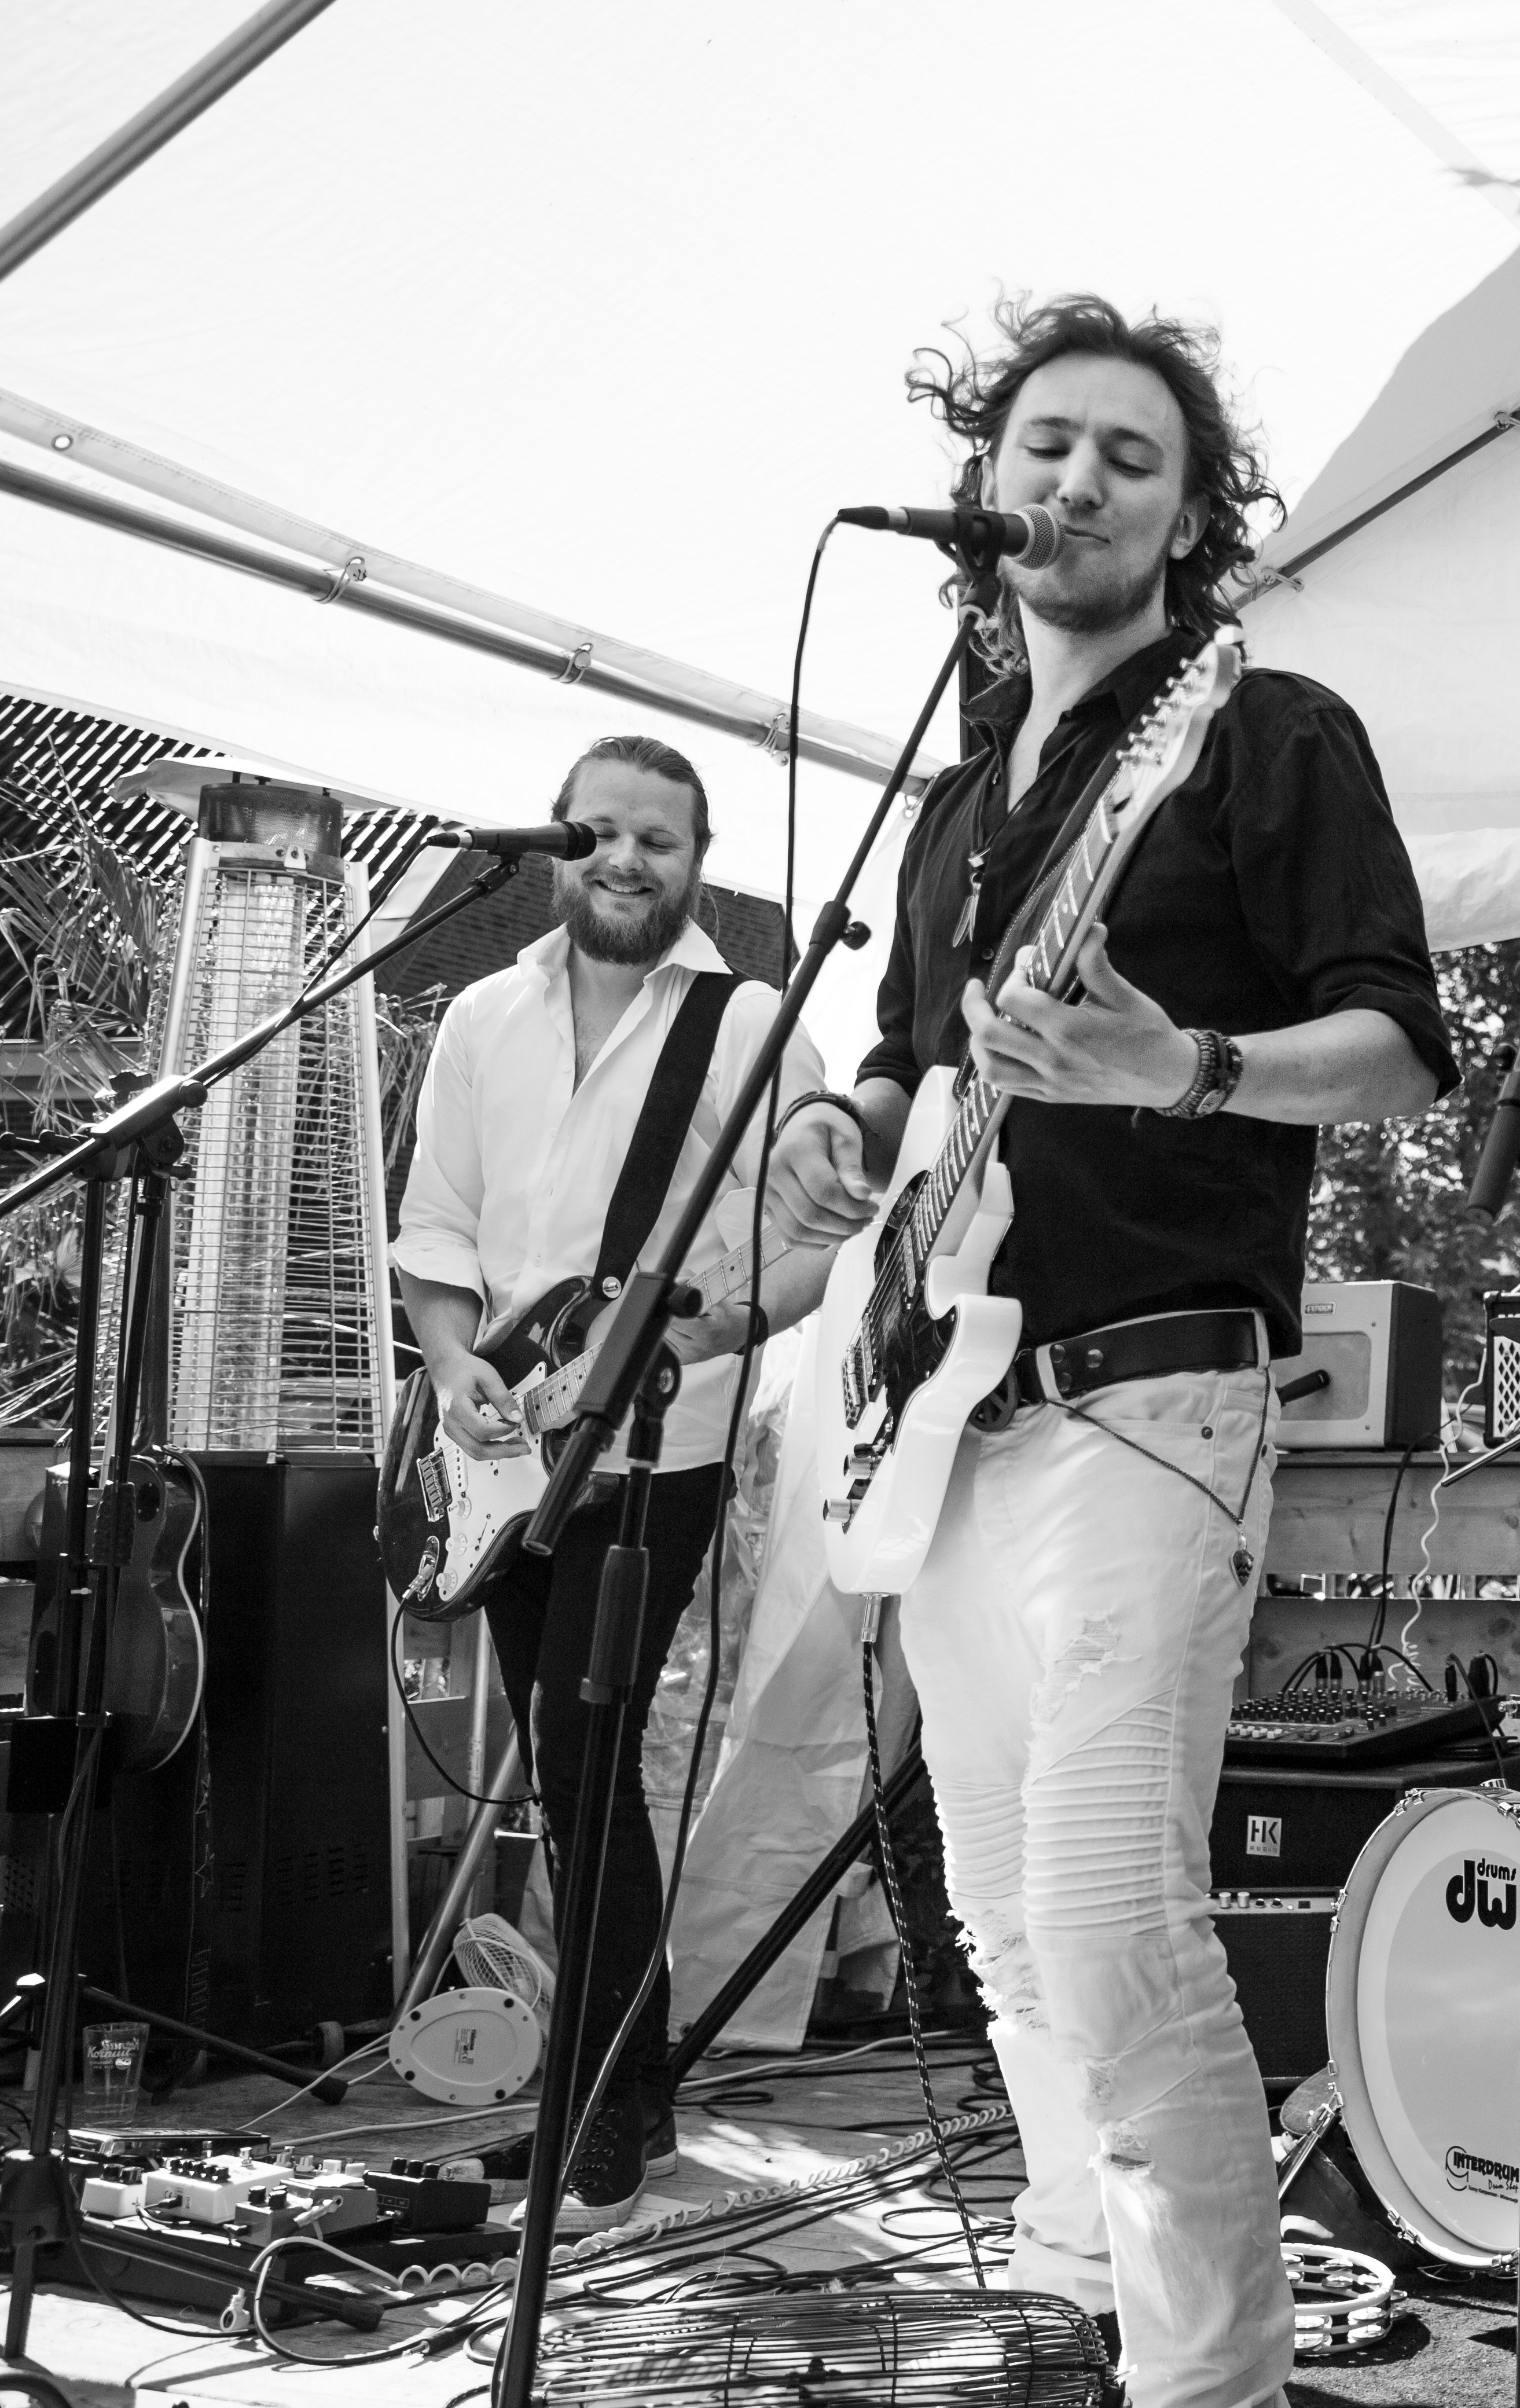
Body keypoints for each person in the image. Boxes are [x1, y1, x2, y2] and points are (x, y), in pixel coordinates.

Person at [758, 294, 1454, 2408]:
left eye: (1131, 459)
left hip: (1150, 1402)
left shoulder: (1260, 729)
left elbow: (1397, 1048)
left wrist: (1192, 1065)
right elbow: (912, 1068)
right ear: (985, 486)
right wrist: (840, 1127)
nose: (1078, 481)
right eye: (1046, 445)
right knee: (997, 1910)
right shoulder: (957, 802)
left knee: (1108, 1911)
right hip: (944, 1414)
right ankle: (1095, 2298)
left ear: (1188, 519)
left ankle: (1210, 2381)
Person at [394, 735, 831, 2226]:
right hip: (495, 1456)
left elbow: (819, 1238)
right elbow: (436, 1231)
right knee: (572, 1782)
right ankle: (622, 2110)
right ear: (556, 844)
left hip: (655, 1449)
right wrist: (452, 1364)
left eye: (660, 839)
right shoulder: (479, 1017)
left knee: (588, 1761)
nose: (626, 861)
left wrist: (711, 1326)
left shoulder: (749, 1024)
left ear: (699, 862)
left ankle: (599, 2123)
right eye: (599, 834)